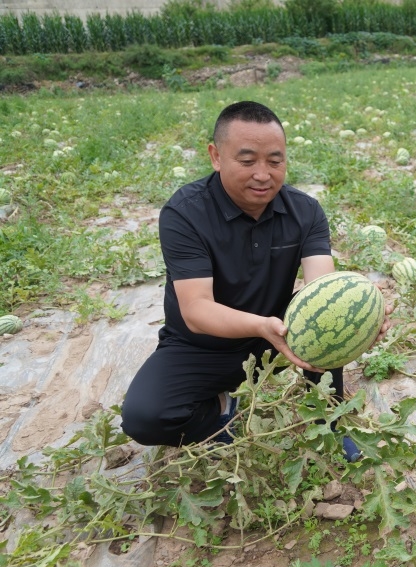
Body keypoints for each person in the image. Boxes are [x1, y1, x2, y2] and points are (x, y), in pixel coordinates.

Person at [121, 101, 389, 458]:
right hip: (203, 345)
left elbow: (321, 288)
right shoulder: (185, 213)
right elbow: (196, 308)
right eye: (247, 162)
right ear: (216, 156)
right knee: (145, 419)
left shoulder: (305, 210)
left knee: (328, 321)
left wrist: (361, 322)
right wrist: (259, 325)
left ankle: (327, 423)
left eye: (275, 161)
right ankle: (220, 416)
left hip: (278, 331)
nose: (263, 174)